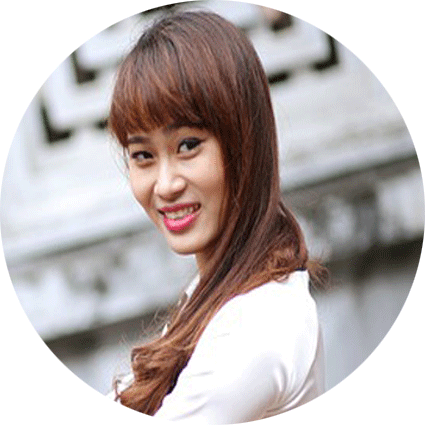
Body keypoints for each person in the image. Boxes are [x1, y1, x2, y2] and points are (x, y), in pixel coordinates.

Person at [108, 9, 327, 423]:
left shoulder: (256, 326)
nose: (165, 185)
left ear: (244, 142)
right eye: (143, 155)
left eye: (188, 145)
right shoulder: (217, 293)